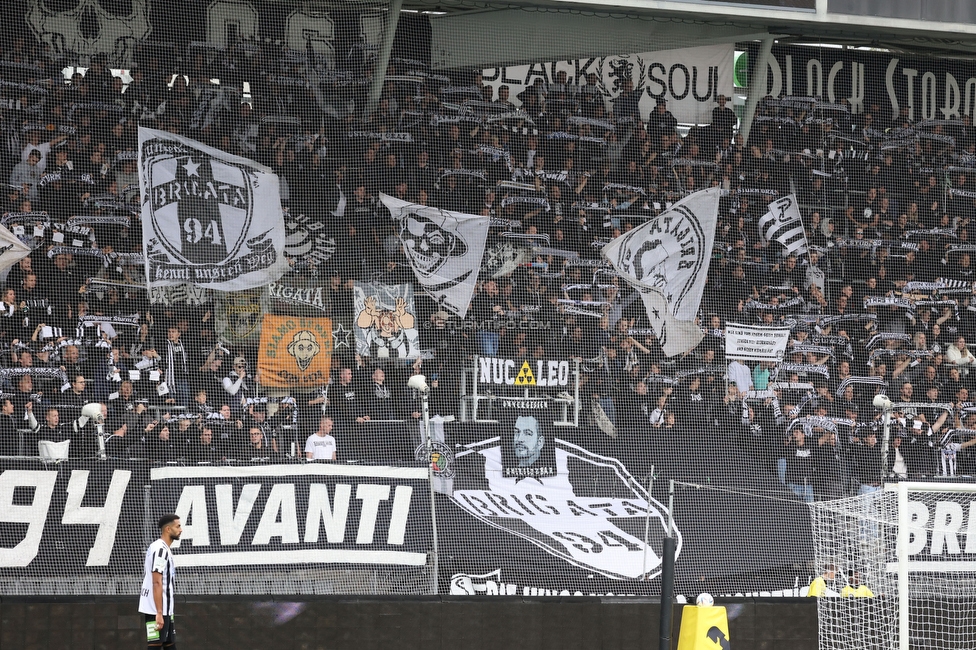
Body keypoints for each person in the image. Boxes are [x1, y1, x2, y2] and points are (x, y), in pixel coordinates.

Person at [139, 513, 181, 649]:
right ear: (168, 529)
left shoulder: (161, 548)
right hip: (156, 609)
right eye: (178, 526)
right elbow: (156, 581)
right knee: (155, 645)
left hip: (165, 609)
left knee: (170, 645)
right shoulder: (160, 550)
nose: (181, 529)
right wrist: (158, 612)